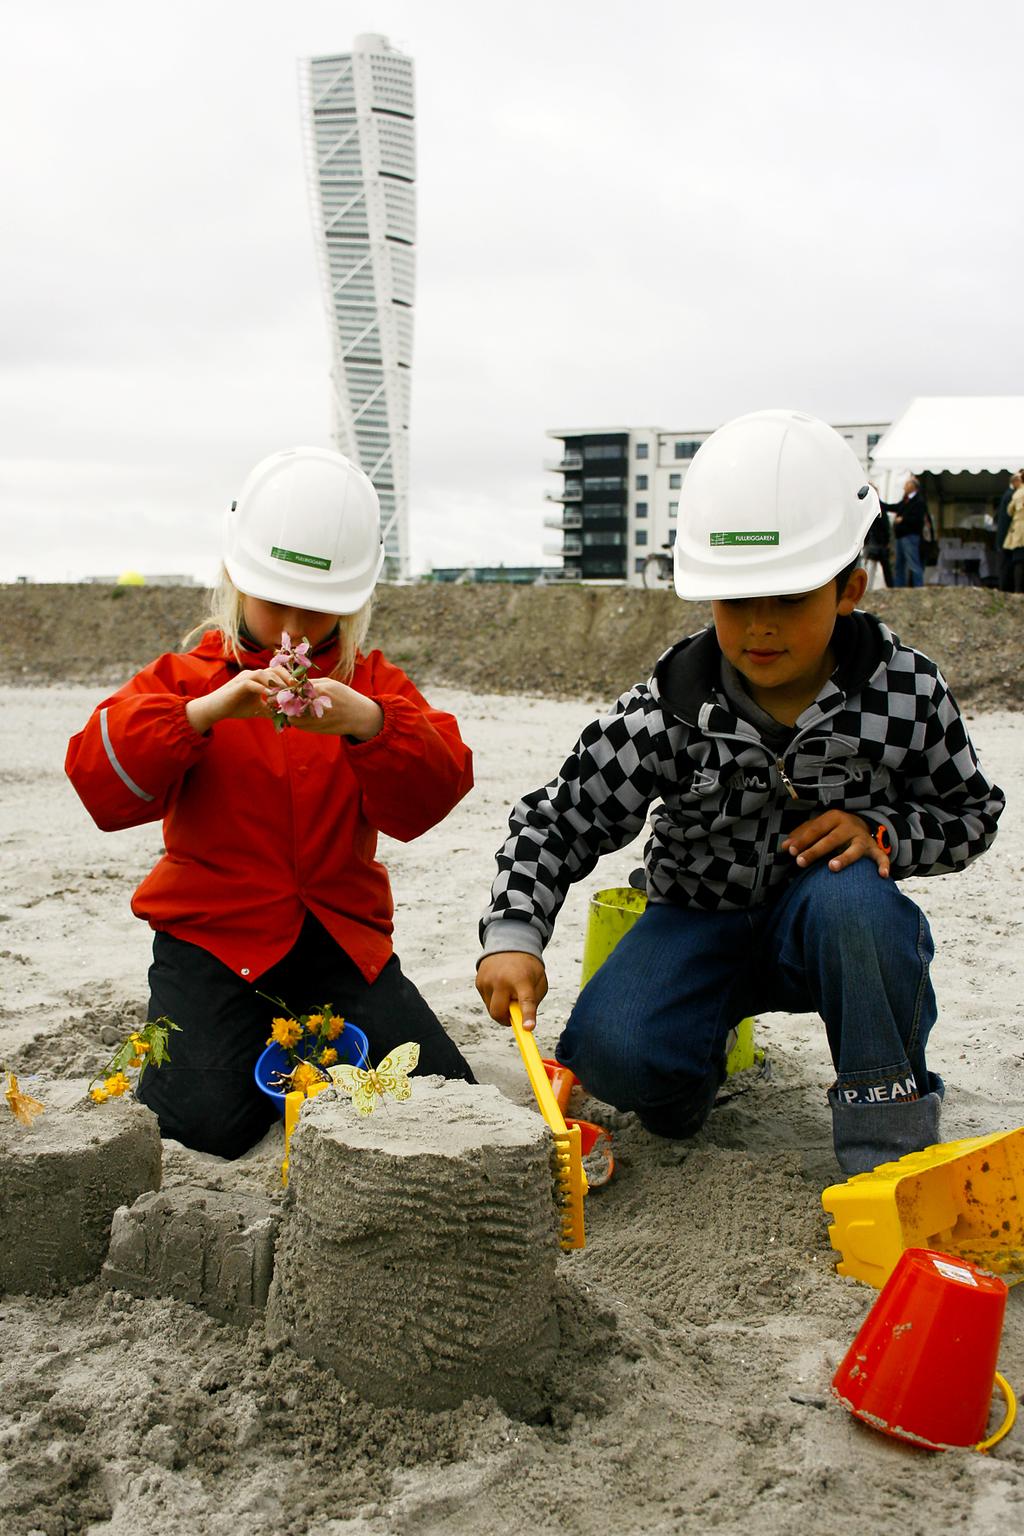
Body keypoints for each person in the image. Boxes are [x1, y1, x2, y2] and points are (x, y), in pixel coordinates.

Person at [476, 410, 1004, 1176]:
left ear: (850, 587)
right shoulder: (669, 707)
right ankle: (693, 1069)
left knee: (860, 906)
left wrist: (886, 832)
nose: (760, 626)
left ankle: (886, 1143)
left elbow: (973, 814)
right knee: (611, 1053)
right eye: (734, 598)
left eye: (789, 598)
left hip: (830, 926)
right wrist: (514, 936)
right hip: (696, 921)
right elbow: (560, 820)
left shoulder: (906, 693)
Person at [67, 447, 475, 1159]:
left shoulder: (369, 684)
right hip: (211, 938)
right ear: (233, 576)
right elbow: (98, 783)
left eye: (317, 609)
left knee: (434, 1091)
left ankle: (282, 1039)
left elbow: (434, 795)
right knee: (203, 1125)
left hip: (338, 938)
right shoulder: (187, 676)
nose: (293, 624)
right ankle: (242, 1034)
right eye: (274, 596)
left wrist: (370, 725)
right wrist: (201, 715)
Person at [881, 475, 928, 588]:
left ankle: (918, 586)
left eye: (907, 484)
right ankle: (899, 587)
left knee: (913, 563)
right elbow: (893, 507)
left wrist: (903, 519)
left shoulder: (919, 502)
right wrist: (878, 501)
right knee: (899, 564)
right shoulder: (905, 501)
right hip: (901, 536)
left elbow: (918, 519)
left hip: (910, 536)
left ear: (913, 486)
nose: (904, 487)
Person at [996, 472, 1023, 592]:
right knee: (1017, 561)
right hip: (1013, 534)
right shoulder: (1015, 494)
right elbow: (1009, 513)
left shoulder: (1011, 494)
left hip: (1011, 534)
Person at [861, 500, 892, 588]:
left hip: (875, 543)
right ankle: (889, 586)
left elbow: (885, 527)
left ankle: (868, 588)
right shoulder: (876, 509)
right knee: (874, 566)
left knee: (871, 566)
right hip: (876, 542)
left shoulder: (874, 509)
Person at [1004, 474, 1024, 594]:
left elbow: (1010, 510)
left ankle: (1018, 589)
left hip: (1020, 531)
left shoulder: (1018, 493)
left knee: (1019, 560)